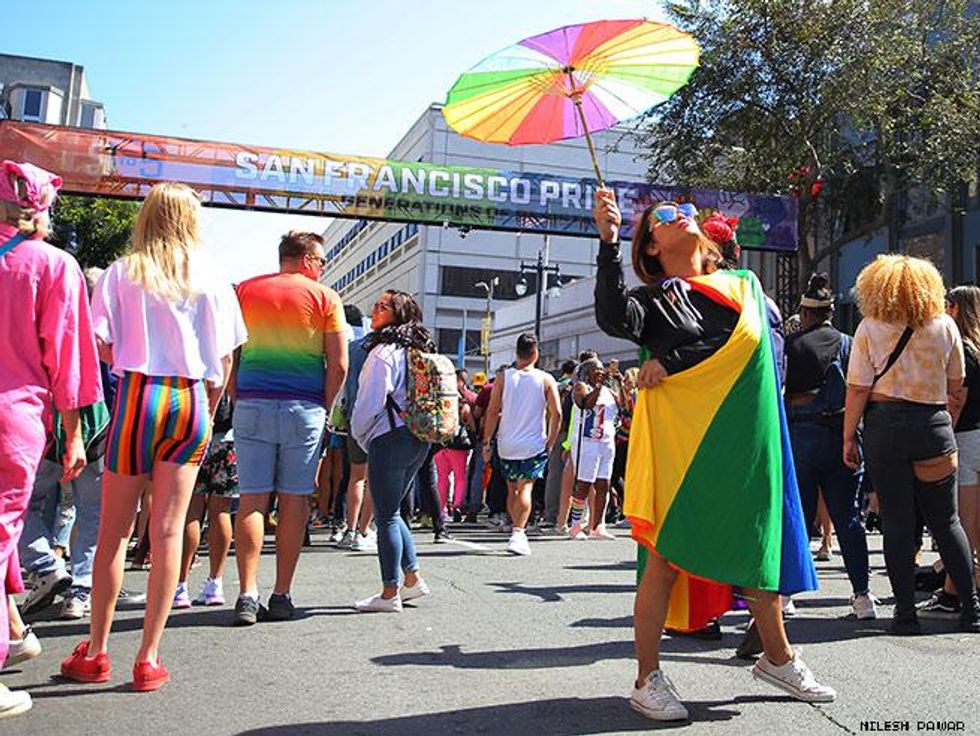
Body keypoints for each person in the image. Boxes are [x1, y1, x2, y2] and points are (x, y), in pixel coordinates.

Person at [593, 190, 834, 721]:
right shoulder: (655, 300)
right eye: (662, 217)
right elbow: (614, 317)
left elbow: (752, 353)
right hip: (683, 448)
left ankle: (779, 659)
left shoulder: (743, 286)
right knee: (663, 558)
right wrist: (608, 243)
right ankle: (646, 678)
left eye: (683, 211)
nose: (679, 216)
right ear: (652, 247)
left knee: (755, 548)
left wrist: (673, 360)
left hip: (746, 437)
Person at [61, 182, 246, 692]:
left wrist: (130, 355)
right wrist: (209, 405)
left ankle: (97, 651)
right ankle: (149, 657)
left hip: (139, 394)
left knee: (114, 534)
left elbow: (100, 343)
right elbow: (225, 359)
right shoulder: (213, 279)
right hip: (190, 401)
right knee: (168, 531)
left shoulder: (124, 271)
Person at [0, 161, 100, 717]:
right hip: (14, 418)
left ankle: (14, 628)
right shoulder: (53, 265)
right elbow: (69, 359)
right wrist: (74, 432)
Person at [844, 255, 980, 634]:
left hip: (884, 425)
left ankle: (905, 615)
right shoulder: (945, 326)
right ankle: (971, 608)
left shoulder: (870, 327)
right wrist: (942, 422)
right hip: (933, 423)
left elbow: (857, 388)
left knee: (899, 523)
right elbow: (957, 385)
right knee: (946, 520)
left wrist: (847, 435)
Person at [230, 231, 348, 625]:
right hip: (304, 408)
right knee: (295, 500)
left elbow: (230, 351)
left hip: (251, 403)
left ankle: (247, 593)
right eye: (323, 261)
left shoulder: (245, 291)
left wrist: (237, 394)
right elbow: (340, 364)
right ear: (309, 260)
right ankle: (281, 593)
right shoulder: (326, 298)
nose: (323, 268)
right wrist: (325, 406)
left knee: (251, 499)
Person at [784, 273, 875, 619]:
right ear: (830, 313)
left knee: (799, 517)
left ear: (805, 313)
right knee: (848, 517)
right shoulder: (850, 344)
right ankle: (862, 595)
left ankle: (786, 595)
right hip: (841, 431)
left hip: (801, 433)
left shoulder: (791, 345)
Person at [351, 290, 434, 612]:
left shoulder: (383, 351)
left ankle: (389, 593)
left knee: (384, 516)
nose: (375, 310)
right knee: (393, 510)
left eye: (382, 306)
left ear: (397, 315)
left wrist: (360, 436)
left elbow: (369, 401)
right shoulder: (416, 350)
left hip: (388, 436)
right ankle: (412, 579)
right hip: (418, 436)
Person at [918, 285, 980, 615]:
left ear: (955, 309)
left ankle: (954, 591)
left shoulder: (964, 350)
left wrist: (943, 438)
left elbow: (958, 399)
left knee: (963, 522)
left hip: (966, 439)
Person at [481, 334, 562, 556]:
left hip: (506, 442)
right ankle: (519, 531)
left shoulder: (503, 377)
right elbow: (557, 412)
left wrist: (487, 440)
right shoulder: (546, 379)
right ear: (535, 353)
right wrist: (552, 440)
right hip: (533, 442)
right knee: (526, 487)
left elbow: (492, 411)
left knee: (511, 488)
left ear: (516, 352)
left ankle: (514, 530)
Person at [174, 392, 239, 608]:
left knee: (192, 510)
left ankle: (180, 585)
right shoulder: (225, 357)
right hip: (228, 436)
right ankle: (215, 583)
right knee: (221, 510)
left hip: (194, 432)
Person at [337, 305, 376, 552]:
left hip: (353, 418)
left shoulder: (353, 348)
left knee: (355, 477)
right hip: (377, 420)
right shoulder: (383, 349)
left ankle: (349, 529)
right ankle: (364, 530)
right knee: (373, 479)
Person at [568, 358, 619, 541]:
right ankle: (575, 525)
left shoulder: (607, 390)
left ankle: (598, 526)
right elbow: (586, 404)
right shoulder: (581, 386)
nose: (600, 372)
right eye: (596, 369)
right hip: (587, 443)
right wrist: (599, 386)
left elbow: (622, 405)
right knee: (584, 485)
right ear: (588, 371)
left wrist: (619, 384)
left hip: (607, 442)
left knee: (603, 484)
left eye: (601, 369)